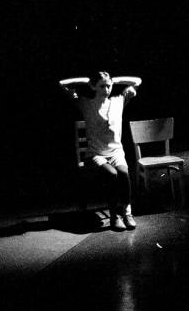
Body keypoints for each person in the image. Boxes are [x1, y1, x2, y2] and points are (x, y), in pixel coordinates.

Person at [60, 72, 142, 230]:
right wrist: (85, 80)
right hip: (95, 155)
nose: (107, 89)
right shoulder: (86, 104)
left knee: (124, 173)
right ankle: (113, 216)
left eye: (109, 86)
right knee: (112, 174)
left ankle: (127, 212)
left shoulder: (119, 101)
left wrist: (115, 80)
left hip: (116, 152)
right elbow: (62, 84)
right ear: (94, 87)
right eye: (102, 86)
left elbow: (138, 81)